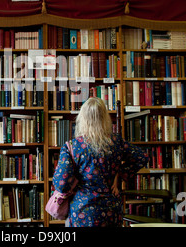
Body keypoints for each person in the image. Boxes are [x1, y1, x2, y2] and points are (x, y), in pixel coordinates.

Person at [52, 97, 148, 227]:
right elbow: (142, 157)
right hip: (112, 211)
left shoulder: (72, 146)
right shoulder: (116, 142)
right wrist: (120, 174)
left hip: (83, 213)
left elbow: (62, 184)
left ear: (82, 119)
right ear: (104, 118)